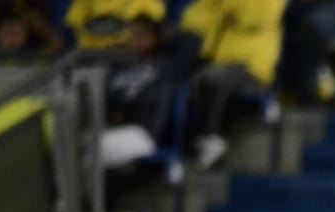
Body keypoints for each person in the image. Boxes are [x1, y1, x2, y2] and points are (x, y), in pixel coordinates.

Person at [182, 0, 285, 169]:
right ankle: (195, 139)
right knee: (183, 77)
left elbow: (255, 16)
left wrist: (223, 12)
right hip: (217, 61)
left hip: (253, 67)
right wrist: (222, 14)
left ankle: (211, 136)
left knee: (212, 80)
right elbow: (191, 19)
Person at [100, 15, 177, 170]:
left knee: (94, 149)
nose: (135, 38)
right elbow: (107, 99)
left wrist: (123, 110)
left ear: (154, 38)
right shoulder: (121, 67)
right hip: (113, 129)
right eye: (133, 34)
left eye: (141, 34)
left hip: (142, 133)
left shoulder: (163, 67)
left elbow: (152, 103)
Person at [65, 0, 163, 50]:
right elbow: (73, 24)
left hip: (128, 56)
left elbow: (154, 28)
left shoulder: (146, 3)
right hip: (90, 56)